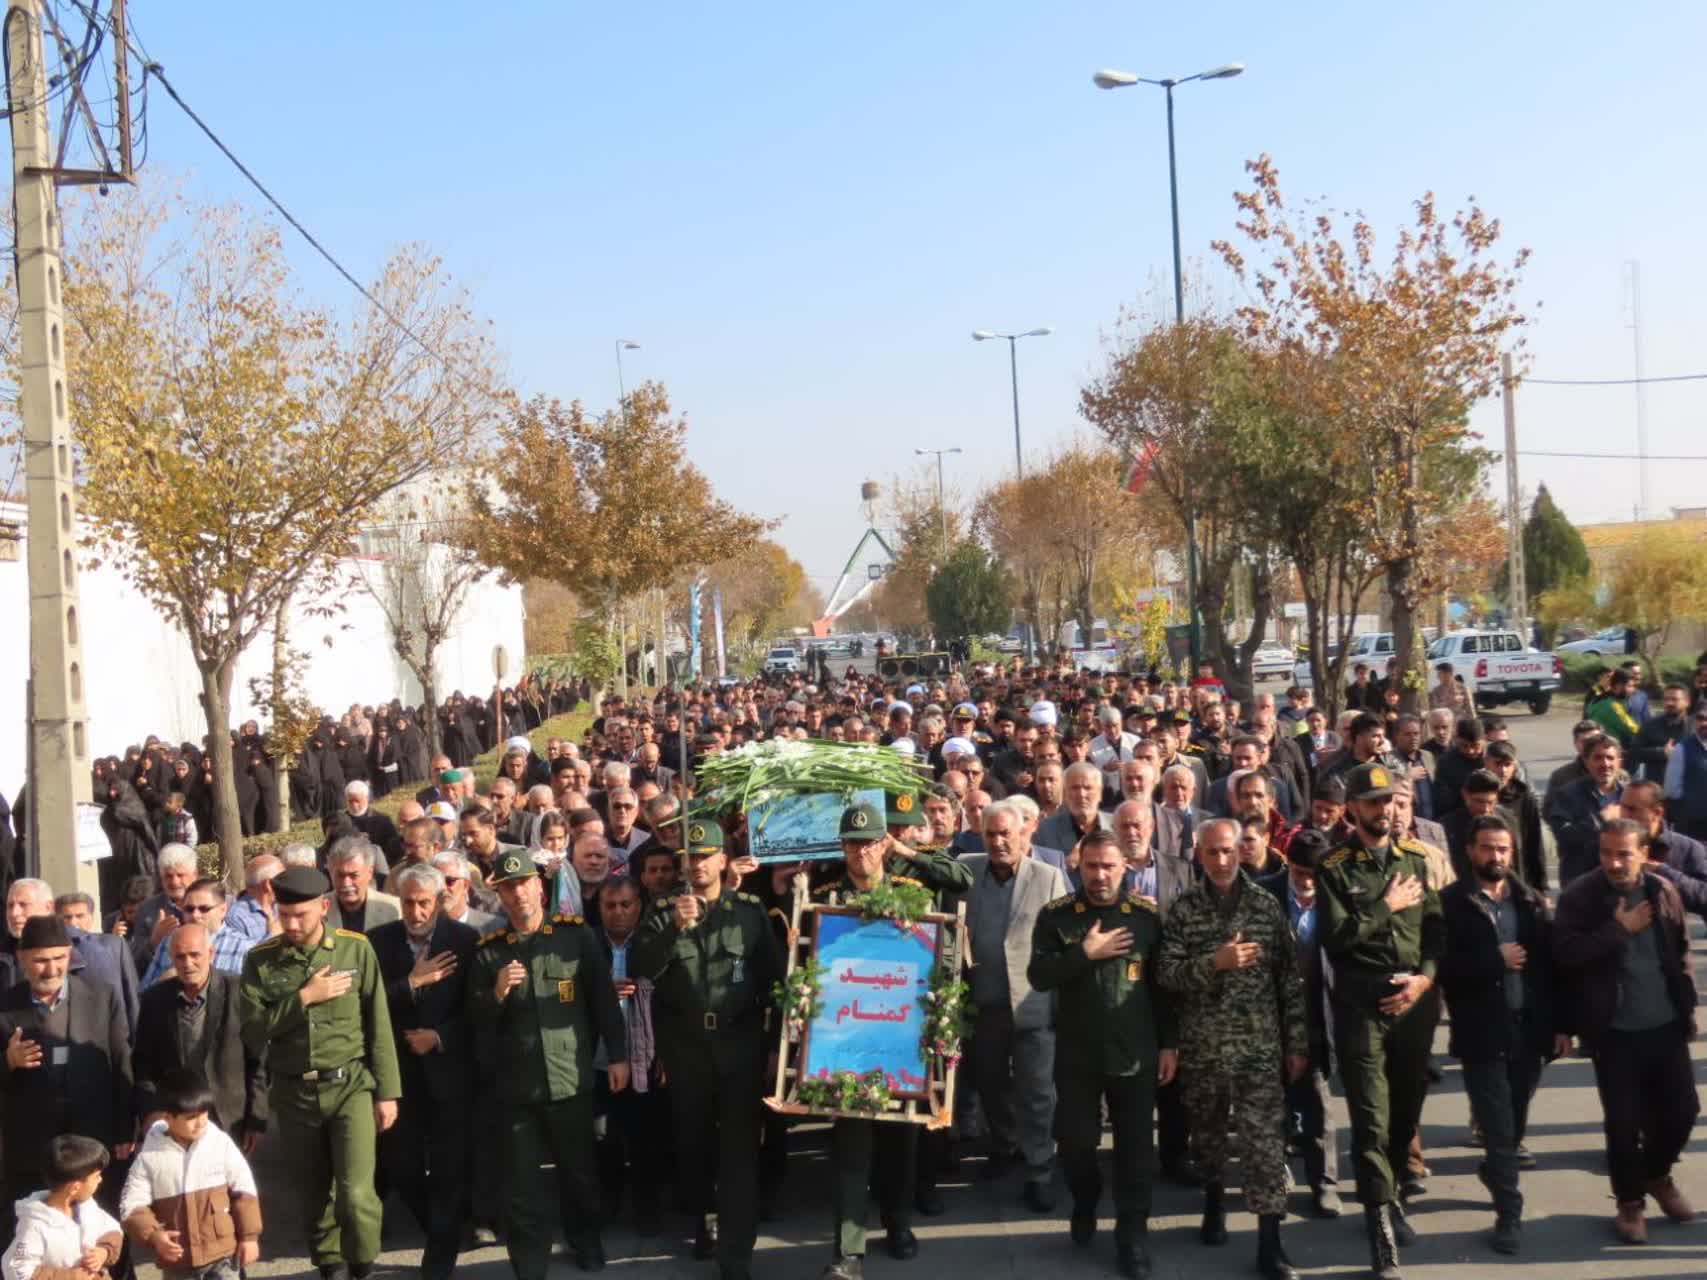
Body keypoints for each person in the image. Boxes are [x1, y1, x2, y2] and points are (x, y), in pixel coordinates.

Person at [813, 801, 972, 1279]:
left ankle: (899, 1223)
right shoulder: (826, 898)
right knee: (851, 1152)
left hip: (901, 1042)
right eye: (852, 843)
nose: (861, 851)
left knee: (900, 1145)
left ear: (886, 844)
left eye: (870, 841)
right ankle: (848, 1251)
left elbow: (959, 884)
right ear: (841, 847)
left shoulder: (914, 893)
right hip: (843, 1043)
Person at [633, 818, 782, 1280]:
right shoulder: (664, 911)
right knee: (694, 1144)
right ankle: (703, 1218)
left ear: (723, 859)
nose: (696, 864)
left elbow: (775, 983)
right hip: (687, 1047)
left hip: (739, 1043)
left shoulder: (749, 911)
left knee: (739, 1151)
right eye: (689, 857)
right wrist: (673, 929)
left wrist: (776, 1047)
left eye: (705, 856)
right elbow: (641, 967)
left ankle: (736, 1253)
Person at [1158, 818, 1306, 1280]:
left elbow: (1289, 979)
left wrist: (1296, 1042)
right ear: (1198, 855)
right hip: (1203, 1049)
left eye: (1229, 851)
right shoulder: (1183, 909)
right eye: (1212, 853)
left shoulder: (1264, 906)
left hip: (1259, 1049)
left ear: (1241, 851)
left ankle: (1270, 1244)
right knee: (1208, 1137)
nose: (1222, 861)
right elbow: (1166, 974)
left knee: (1264, 1146)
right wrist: (1213, 964)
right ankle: (1214, 1200)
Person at [469, 844, 627, 1276]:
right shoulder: (488, 952)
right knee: (522, 1184)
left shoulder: (576, 938)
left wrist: (618, 1056)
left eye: (523, 884)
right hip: (516, 1088)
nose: (518, 894)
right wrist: (497, 992)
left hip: (569, 1079)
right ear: (499, 896)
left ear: (539, 887)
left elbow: (603, 1003)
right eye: (508, 888)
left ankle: (586, 1242)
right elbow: (475, 1021)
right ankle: (529, 1261)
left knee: (579, 1174)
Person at [237, 865, 401, 1280]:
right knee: (313, 1194)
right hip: (295, 1093)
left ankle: (363, 1262)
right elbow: (252, 1033)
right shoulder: (262, 961)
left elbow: (377, 1023)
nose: (291, 924)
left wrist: (388, 1093)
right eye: (284, 913)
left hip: (351, 1087)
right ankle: (330, 1265)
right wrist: (303, 999)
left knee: (355, 1193)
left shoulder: (355, 950)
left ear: (324, 908)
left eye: (302, 915)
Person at [1028, 828, 1176, 1279]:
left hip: (1136, 1053)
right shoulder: (1057, 917)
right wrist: (1083, 953)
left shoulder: (1146, 917)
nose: (1100, 876)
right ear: (1079, 866)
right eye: (1091, 866)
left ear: (1124, 867)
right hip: (1078, 1055)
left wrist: (1171, 1043)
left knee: (1134, 1153)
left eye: (1109, 866)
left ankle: (1131, 1238)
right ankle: (1086, 1200)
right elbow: (1038, 976)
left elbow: (1163, 987)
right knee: (1076, 1145)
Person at [1315, 762, 1443, 1280]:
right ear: (1353, 810)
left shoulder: (1415, 859)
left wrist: (1425, 981)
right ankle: (1379, 1229)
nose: (1384, 810)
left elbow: (1436, 931)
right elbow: (1336, 938)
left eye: (1390, 801)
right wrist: (1385, 906)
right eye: (1372, 802)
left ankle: (1388, 1194)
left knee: (1405, 1112)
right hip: (1361, 1005)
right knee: (1370, 1117)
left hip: (1412, 1003)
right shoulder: (1335, 867)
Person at [1553, 819, 1700, 1245]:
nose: (1614, 863)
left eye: (1623, 854)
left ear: (1642, 853)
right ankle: (1630, 1202)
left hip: (1665, 1023)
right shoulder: (1582, 896)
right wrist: (1618, 930)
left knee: (1682, 1113)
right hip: (1614, 1032)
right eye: (1606, 853)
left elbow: (1680, 950)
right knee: (1623, 1123)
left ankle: (1657, 1174)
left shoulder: (1661, 890)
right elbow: (1562, 953)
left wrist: (1685, 1005)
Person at [1437, 817, 1566, 1255]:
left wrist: (1561, 1026)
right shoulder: (1452, 903)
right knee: (1496, 1124)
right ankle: (1509, 1213)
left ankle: (1497, 1170)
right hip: (1481, 1031)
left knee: (1514, 1118)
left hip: (1528, 1029)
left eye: (1503, 849)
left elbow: (1550, 969)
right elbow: (1444, 969)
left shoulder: (1530, 902)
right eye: (1488, 848)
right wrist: (1493, 959)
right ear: (1471, 850)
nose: (1496, 857)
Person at [954, 806, 1070, 1212]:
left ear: (1024, 834)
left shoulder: (1049, 877)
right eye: (990, 835)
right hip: (983, 1004)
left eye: (1006, 834)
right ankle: (1004, 1146)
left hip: (1033, 1006)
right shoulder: (966, 870)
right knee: (991, 1084)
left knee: (1038, 1093)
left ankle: (1040, 1169)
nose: (999, 842)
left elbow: (1063, 940)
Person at [367, 864, 477, 1280]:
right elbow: (369, 1008)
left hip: (449, 1072)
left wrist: (439, 1036)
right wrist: (410, 983)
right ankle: (439, 1228)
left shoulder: (465, 941)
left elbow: (477, 1008)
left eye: (423, 903)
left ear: (439, 902)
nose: (415, 912)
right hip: (399, 1075)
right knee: (402, 1166)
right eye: (408, 902)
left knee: (450, 1168)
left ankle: (439, 1258)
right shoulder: (378, 943)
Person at [0, 915, 134, 1233]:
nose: (51, 969)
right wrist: (7, 1060)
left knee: (100, 1232)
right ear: (22, 959)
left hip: (92, 1142)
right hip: (30, 1150)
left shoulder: (102, 999)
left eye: (59, 958)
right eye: (40, 961)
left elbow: (121, 1063)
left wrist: (125, 1129)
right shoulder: (4, 1007)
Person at [1255, 828, 1341, 1218]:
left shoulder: (1338, 895)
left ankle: (1324, 1183)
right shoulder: (1262, 895)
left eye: (1314, 875)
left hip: (1318, 1017)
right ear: (1288, 864)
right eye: (1300, 872)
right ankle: (1275, 1174)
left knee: (1319, 1105)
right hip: (1270, 1018)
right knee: (1270, 1104)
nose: (1307, 882)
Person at [133, 923, 269, 1148]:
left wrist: (256, 1119)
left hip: (229, 1119)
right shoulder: (155, 1000)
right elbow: (143, 1063)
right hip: (175, 1121)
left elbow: (258, 1061)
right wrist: (151, 1111)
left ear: (211, 953)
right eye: (180, 957)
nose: (188, 964)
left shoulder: (240, 992)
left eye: (195, 955)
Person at [119, 1069, 263, 1279]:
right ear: (168, 1118)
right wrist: (154, 1236)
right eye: (191, 1117)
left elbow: (245, 1190)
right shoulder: (150, 1157)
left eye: (205, 1113)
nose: (201, 1122)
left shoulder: (219, 1143)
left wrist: (249, 1237)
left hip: (224, 1255)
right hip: (178, 1261)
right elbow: (131, 1206)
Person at [0, 1134, 123, 1280]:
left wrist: (104, 1251)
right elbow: (17, 1269)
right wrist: (69, 1276)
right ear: (75, 1188)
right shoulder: (34, 1226)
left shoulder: (87, 1207)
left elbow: (112, 1229)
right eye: (96, 1176)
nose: (100, 1180)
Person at [139, 878, 256, 989]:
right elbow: (142, 993)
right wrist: (163, 982)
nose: (195, 915)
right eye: (189, 909)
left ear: (223, 910)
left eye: (204, 909)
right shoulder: (169, 942)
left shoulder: (244, 949)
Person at [1545, 734, 1626, 885]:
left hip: (1623, 878)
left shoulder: (1630, 795)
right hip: (1581, 881)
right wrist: (1600, 820)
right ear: (1586, 762)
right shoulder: (1567, 794)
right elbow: (1563, 836)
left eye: (1610, 758)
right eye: (1598, 758)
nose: (1605, 764)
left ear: (1619, 762)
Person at [1662, 700, 1707, 841]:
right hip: (1693, 824)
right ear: (1694, 720)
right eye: (1701, 718)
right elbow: (1671, 790)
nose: (1704, 723)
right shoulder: (1682, 749)